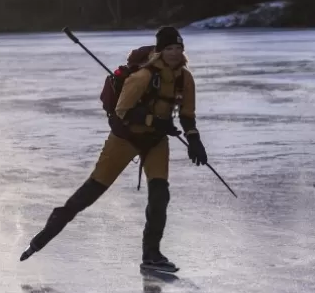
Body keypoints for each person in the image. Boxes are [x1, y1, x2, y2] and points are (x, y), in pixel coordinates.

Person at [19, 26, 208, 273]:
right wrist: (155, 122)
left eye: (178, 48)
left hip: (156, 142)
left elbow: (187, 114)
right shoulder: (142, 77)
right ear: (160, 51)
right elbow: (121, 113)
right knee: (91, 192)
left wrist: (194, 140)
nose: (174, 53)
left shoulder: (185, 78)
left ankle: (151, 254)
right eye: (169, 48)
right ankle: (43, 237)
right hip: (124, 140)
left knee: (160, 195)